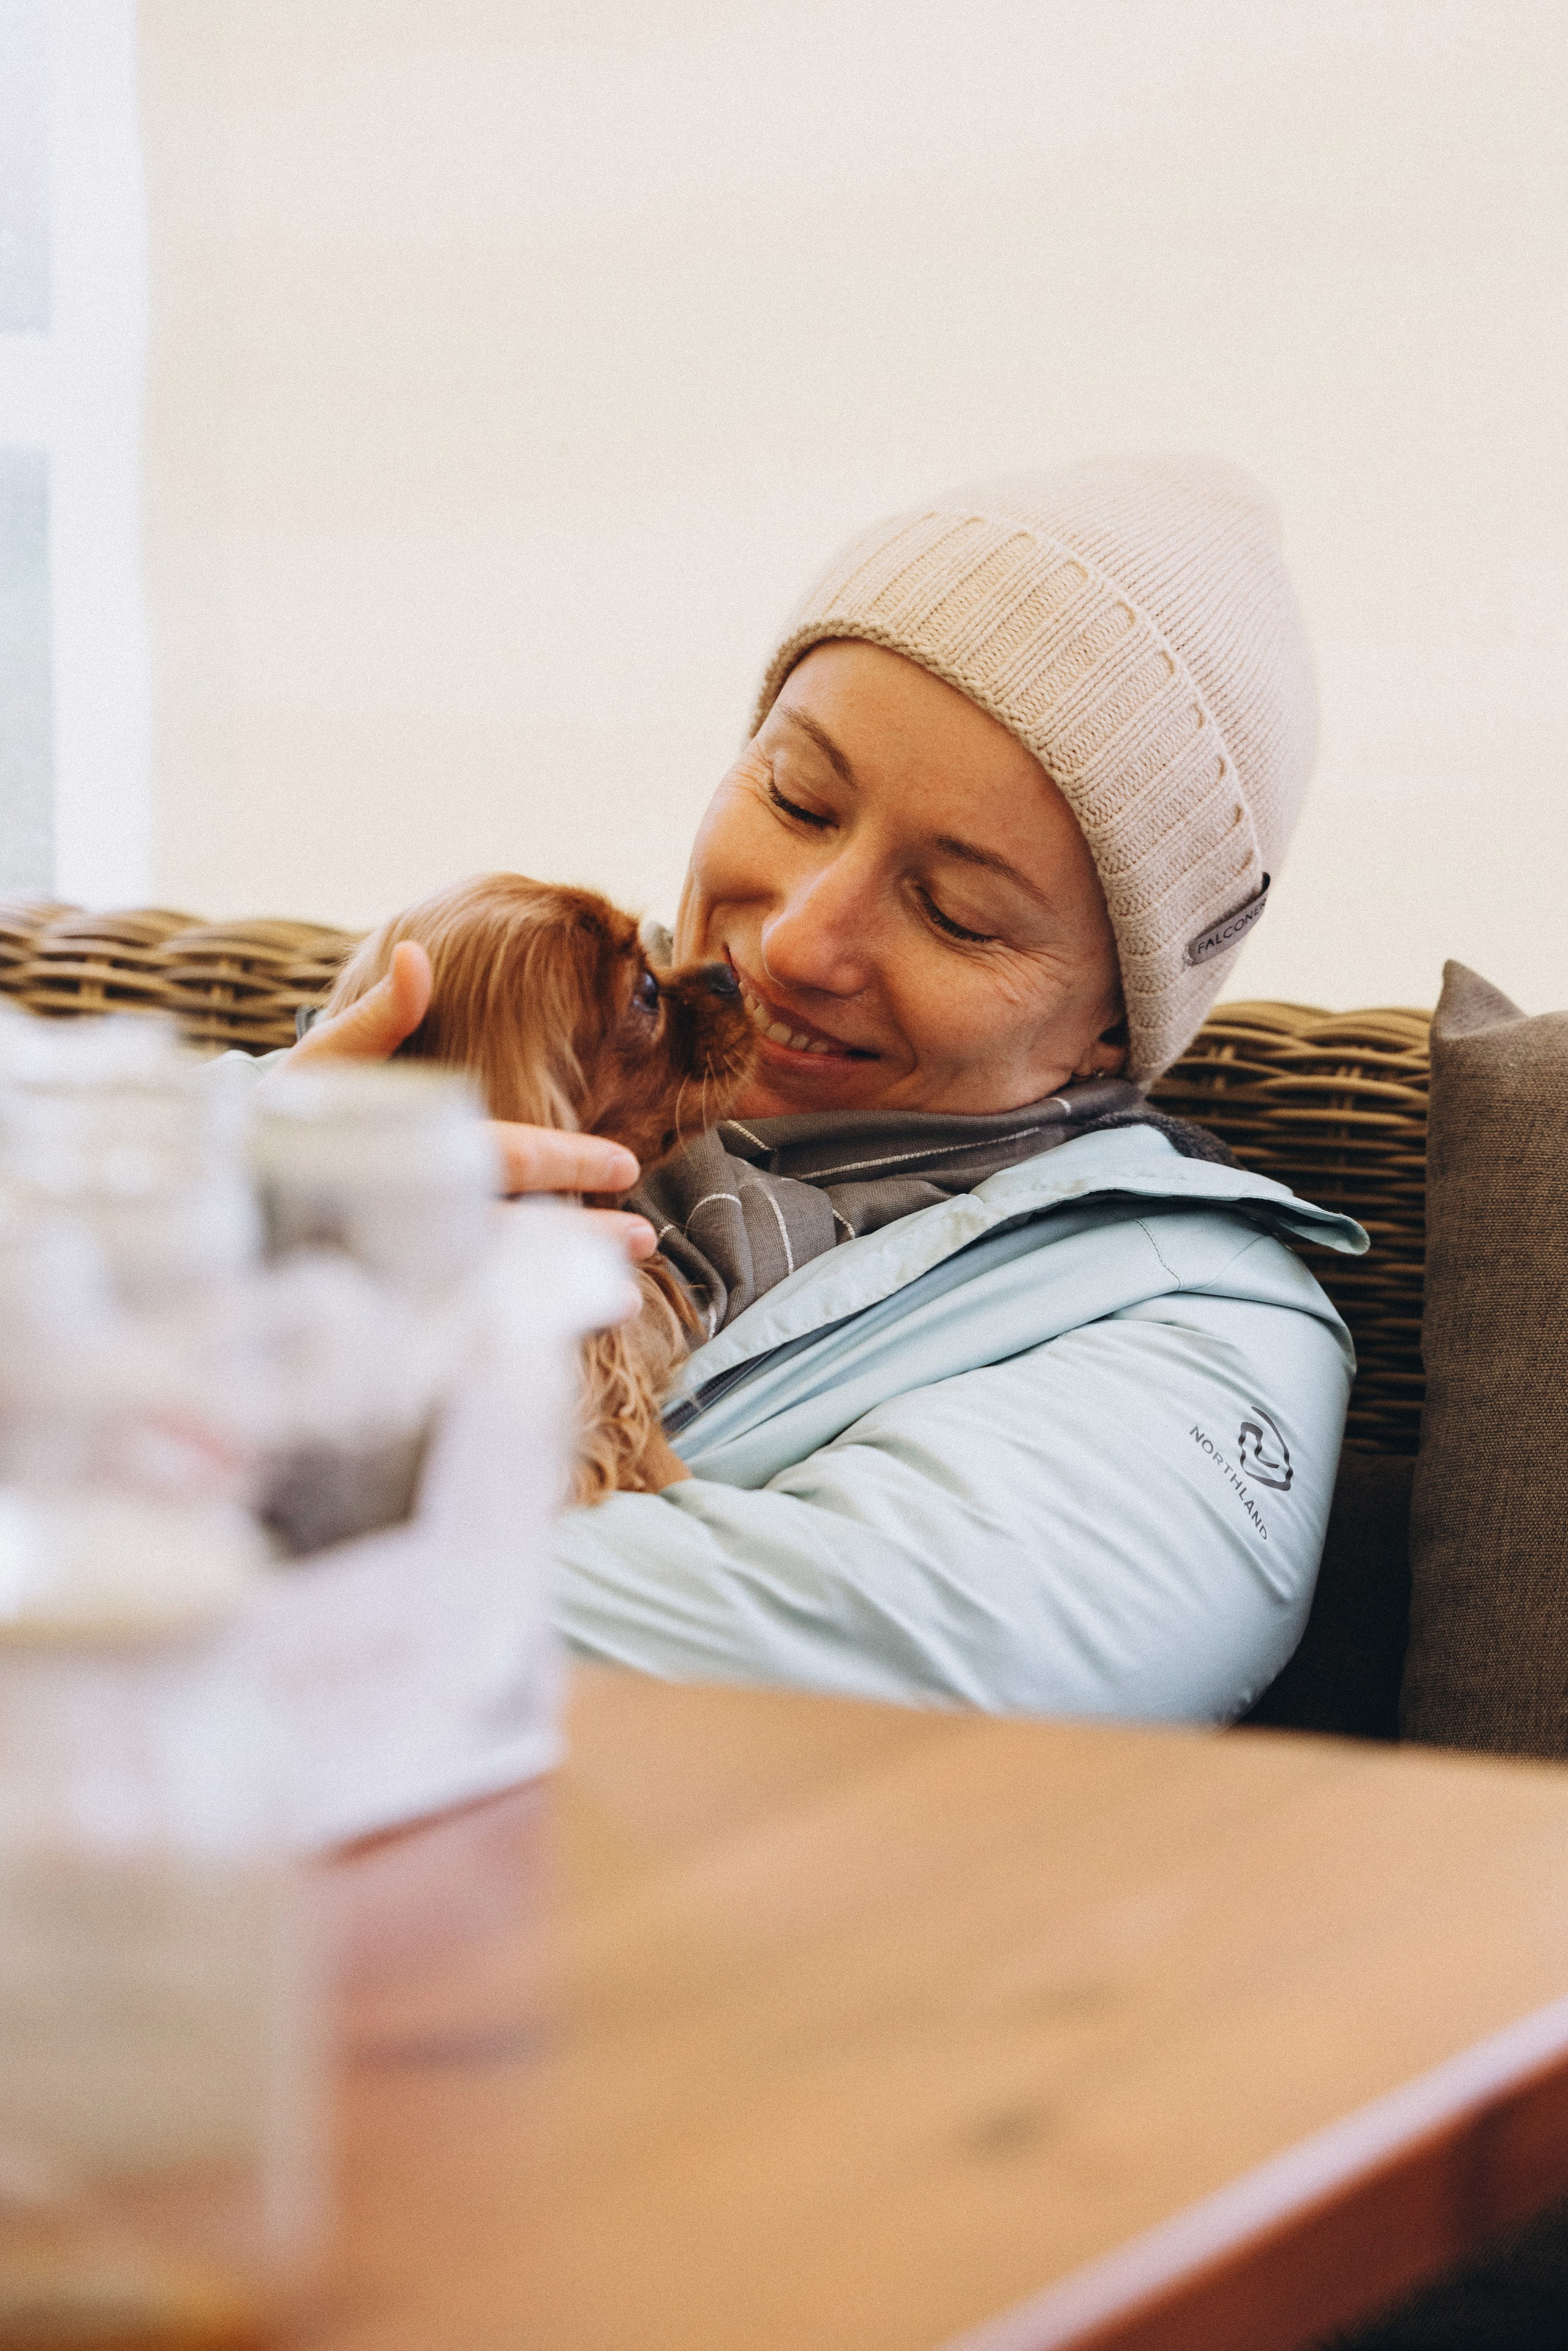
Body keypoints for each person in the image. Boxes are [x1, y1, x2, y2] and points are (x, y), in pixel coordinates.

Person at [284, 455, 1365, 1719]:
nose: (797, 942)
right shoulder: (453, 1048)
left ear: (1113, 1030)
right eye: (797, 798)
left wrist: (185, 1439)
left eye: (955, 912)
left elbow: (853, 1667)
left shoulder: (1196, 1339)